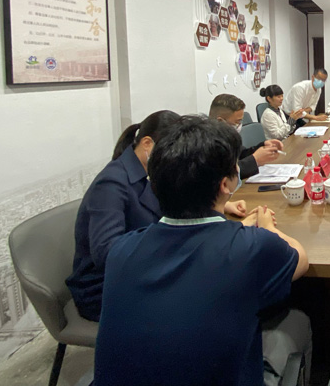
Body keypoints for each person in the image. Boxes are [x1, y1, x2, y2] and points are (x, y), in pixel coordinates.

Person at [94, 116, 311, 386]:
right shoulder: (252, 248)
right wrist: (268, 228)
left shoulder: (121, 251)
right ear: (225, 184)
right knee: (296, 321)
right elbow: (301, 258)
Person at [66, 111, 180, 321]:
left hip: (144, 272)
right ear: (147, 144)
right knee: (198, 297)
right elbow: (107, 253)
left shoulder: (151, 173)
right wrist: (166, 246)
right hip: (104, 289)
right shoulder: (111, 183)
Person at [209, 94, 283, 180]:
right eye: (237, 121)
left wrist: (262, 146)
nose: (239, 125)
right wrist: (255, 160)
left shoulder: (228, 136)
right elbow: (226, 174)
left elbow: (241, 154)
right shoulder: (207, 144)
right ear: (220, 121)